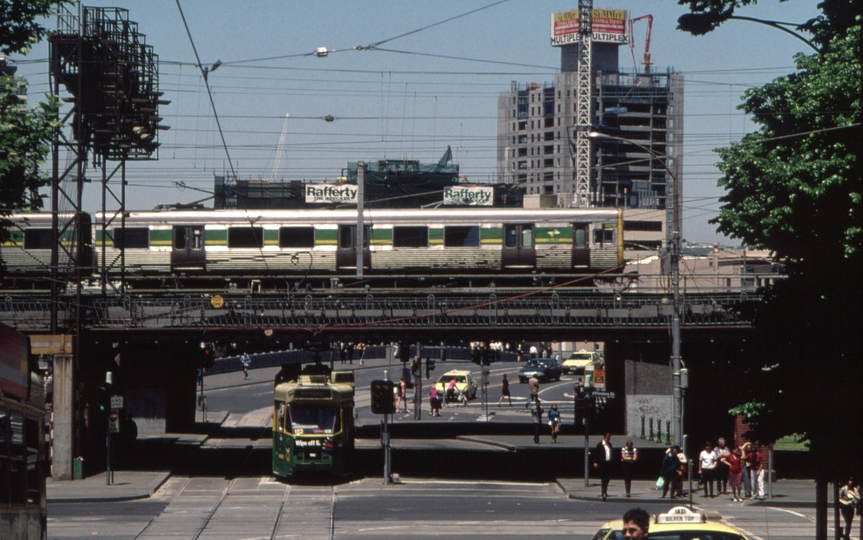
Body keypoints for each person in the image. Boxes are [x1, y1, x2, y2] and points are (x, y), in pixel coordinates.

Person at [592, 432, 614, 501]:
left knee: (608, 477)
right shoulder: (600, 445)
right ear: (604, 437)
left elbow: (611, 452)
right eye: (607, 438)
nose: (608, 439)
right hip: (602, 463)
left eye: (609, 438)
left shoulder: (609, 445)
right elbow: (596, 454)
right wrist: (596, 462)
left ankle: (605, 489)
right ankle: (603, 491)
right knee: (603, 477)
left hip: (608, 463)